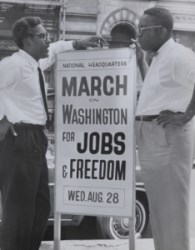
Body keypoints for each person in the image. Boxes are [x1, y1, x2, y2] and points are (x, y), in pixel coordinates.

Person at [0, 16, 105, 250]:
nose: (49, 40)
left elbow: (56, 49)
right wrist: (2, 119)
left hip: (36, 139)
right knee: (19, 211)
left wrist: (77, 44)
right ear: (27, 41)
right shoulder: (13, 65)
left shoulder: (35, 63)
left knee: (40, 205)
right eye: (42, 36)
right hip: (19, 139)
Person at [135, 7, 195, 250]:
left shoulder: (180, 55)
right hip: (154, 137)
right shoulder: (159, 56)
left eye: (143, 30)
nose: (138, 35)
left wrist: (188, 114)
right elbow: (160, 90)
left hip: (166, 138)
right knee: (160, 211)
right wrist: (141, 62)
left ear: (161, 30)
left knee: (171, 211)